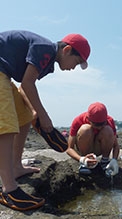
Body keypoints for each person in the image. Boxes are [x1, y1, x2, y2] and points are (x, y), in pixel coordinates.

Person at [0, 30, 90, 211]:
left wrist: (34, 112)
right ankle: (8, 189)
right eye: (77, 61)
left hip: (5, 74)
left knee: (24, 115)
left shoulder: (48, 61)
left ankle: (16, 166)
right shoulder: (45, 49)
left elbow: (24, 86)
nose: (74, 68)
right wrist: (44, 115)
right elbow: (27, 84)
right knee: (7, 124)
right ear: (67, 50)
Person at [66, 102, 119, 176]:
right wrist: (82, 159)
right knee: (85, 129)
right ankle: (85, 164)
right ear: (88, 119)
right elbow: (69, 149)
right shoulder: (78, 120)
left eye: (102, 124)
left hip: (99, 148)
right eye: (96, 125)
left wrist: (114, 160)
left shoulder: (110, 121)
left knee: (107, 130)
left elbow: (116, 145)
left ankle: (104, 162)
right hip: (84, 150)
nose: (99, 127)